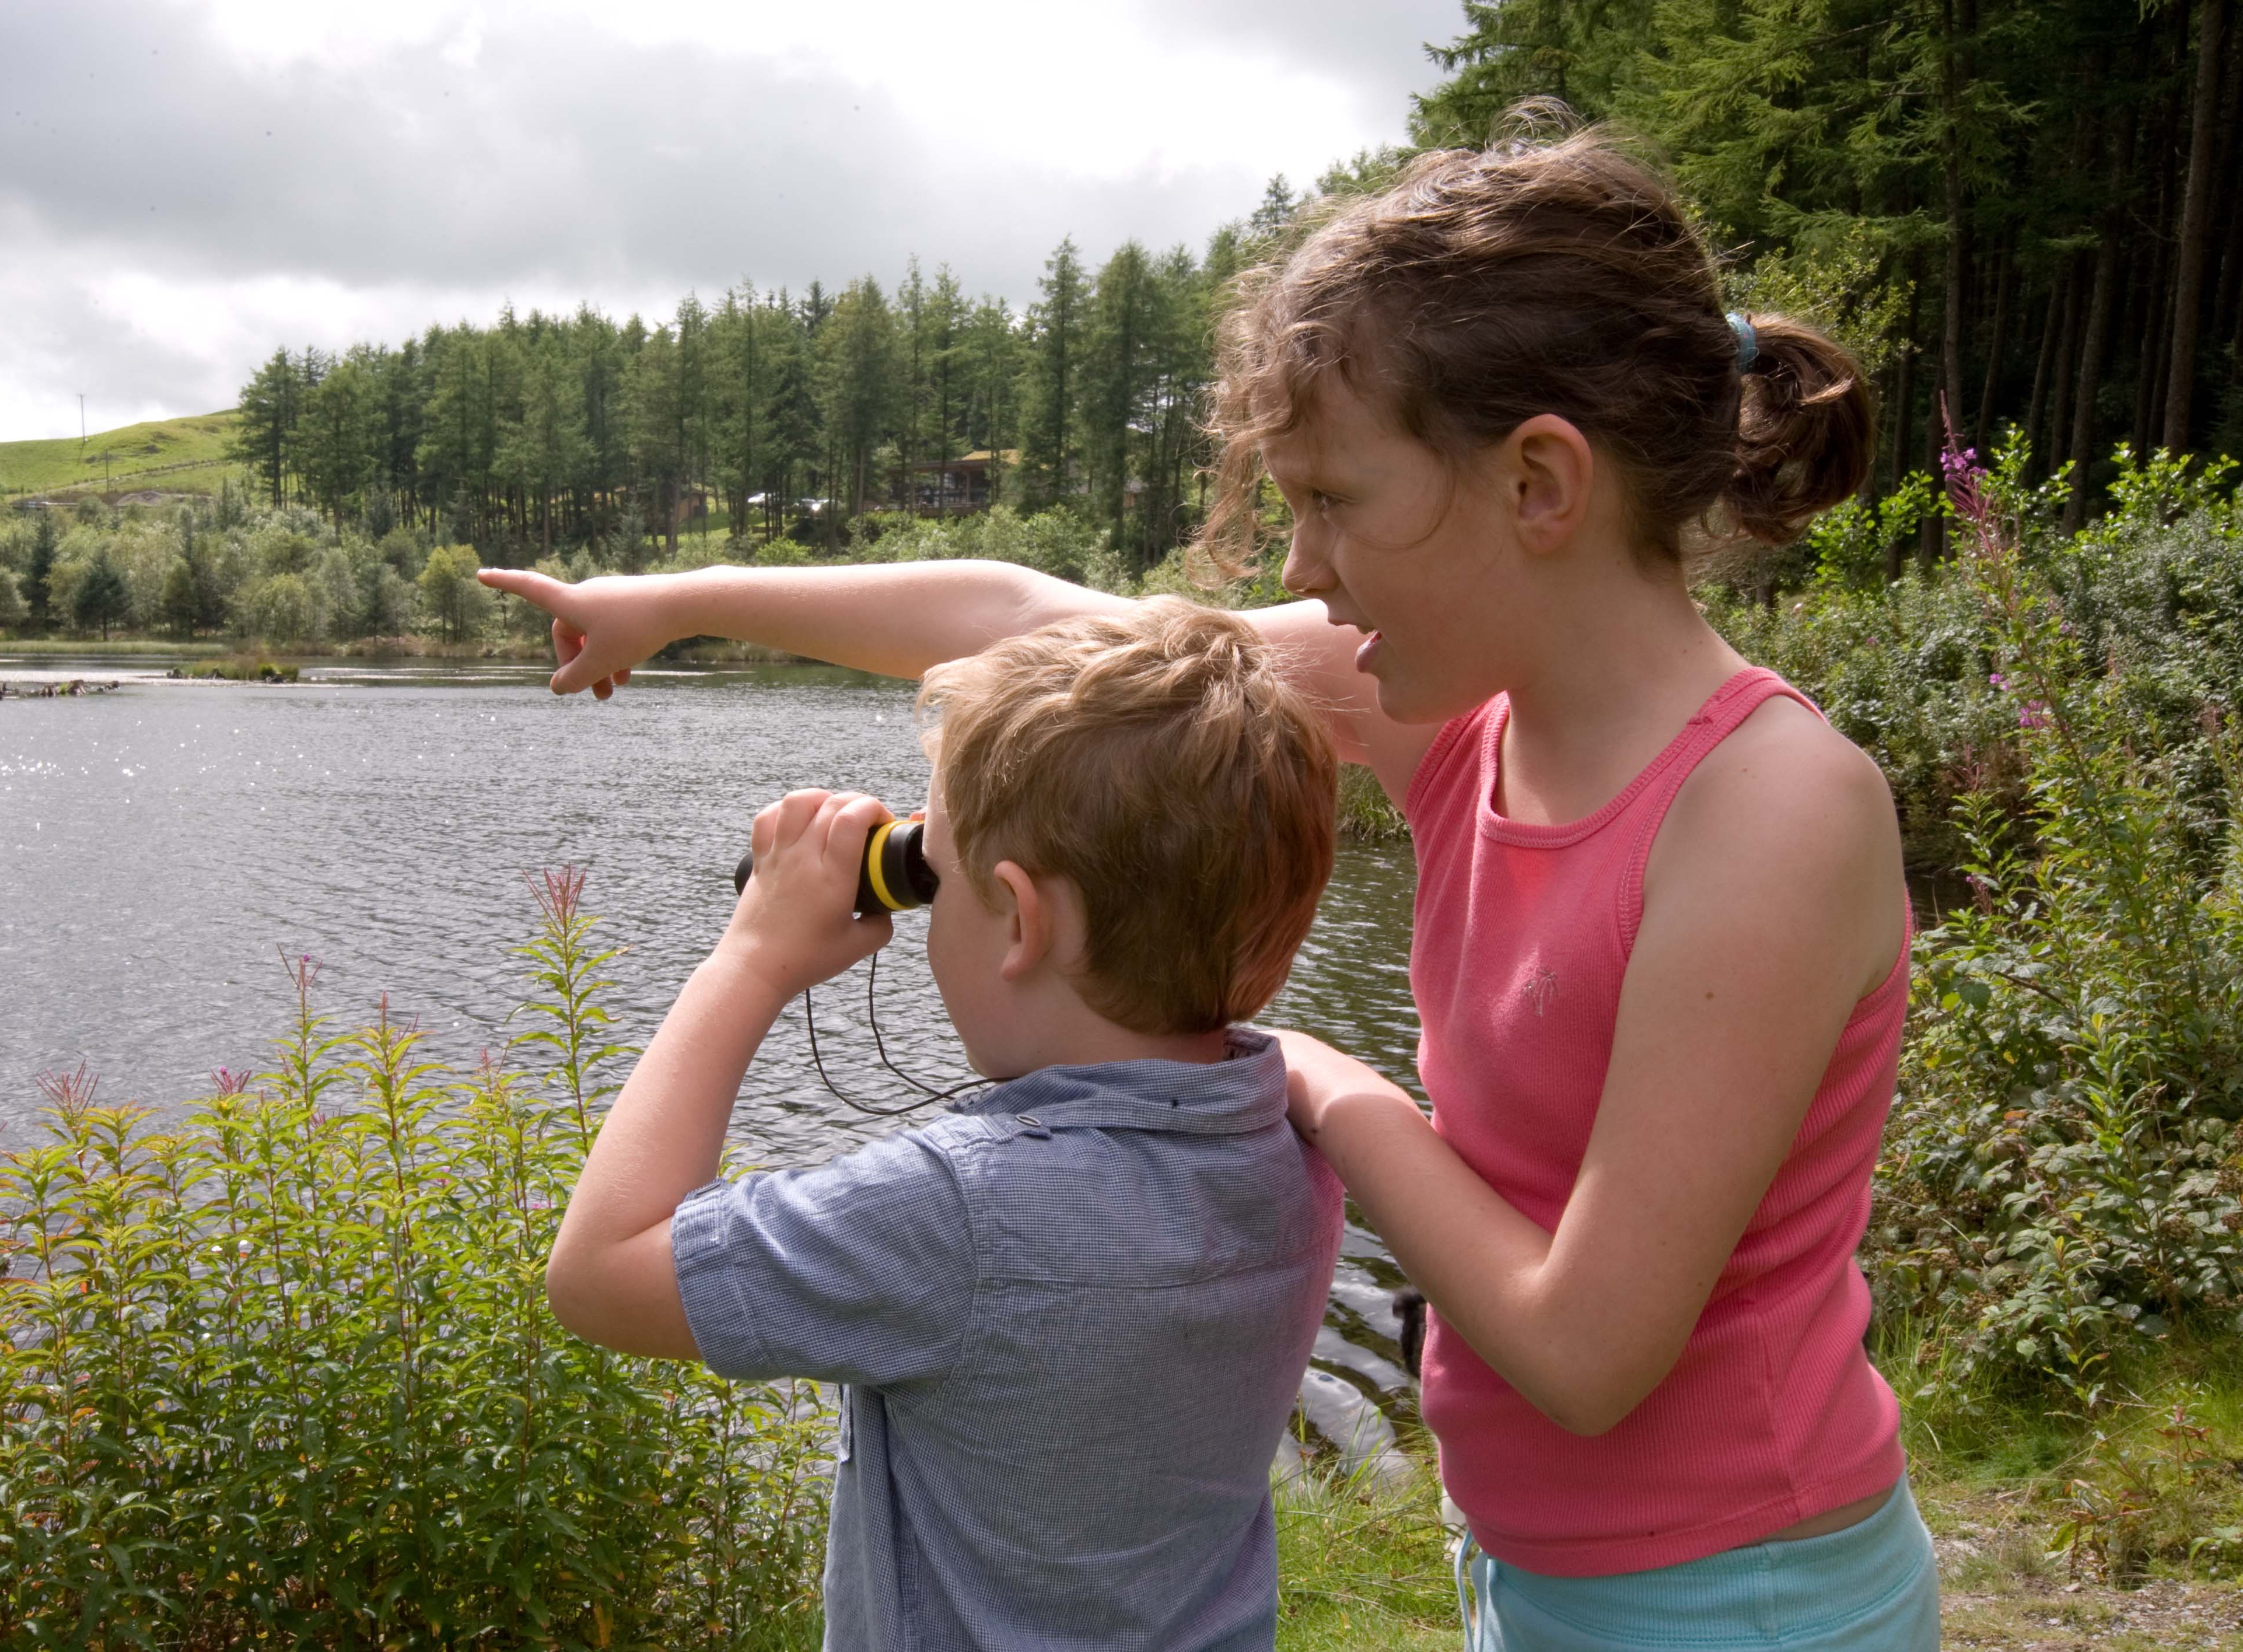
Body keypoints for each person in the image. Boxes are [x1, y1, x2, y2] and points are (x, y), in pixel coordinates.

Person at [493, 117, 1941, 1649]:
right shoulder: (1467, 713)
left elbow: (1586, 1350)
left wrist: (1315, 1073)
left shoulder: (1768, 812)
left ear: (1538, 484)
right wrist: (669, 605)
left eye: (1334, 499)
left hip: (1741, 1599)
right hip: (1539, 1567)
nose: (1305, 565)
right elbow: (1027, 623)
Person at [541, 600, 1347, 1651]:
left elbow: (598, 1273)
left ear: (1023, 918)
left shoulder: (961, 1215)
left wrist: (751, 959)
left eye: (939, 874)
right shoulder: (1283, 1143)